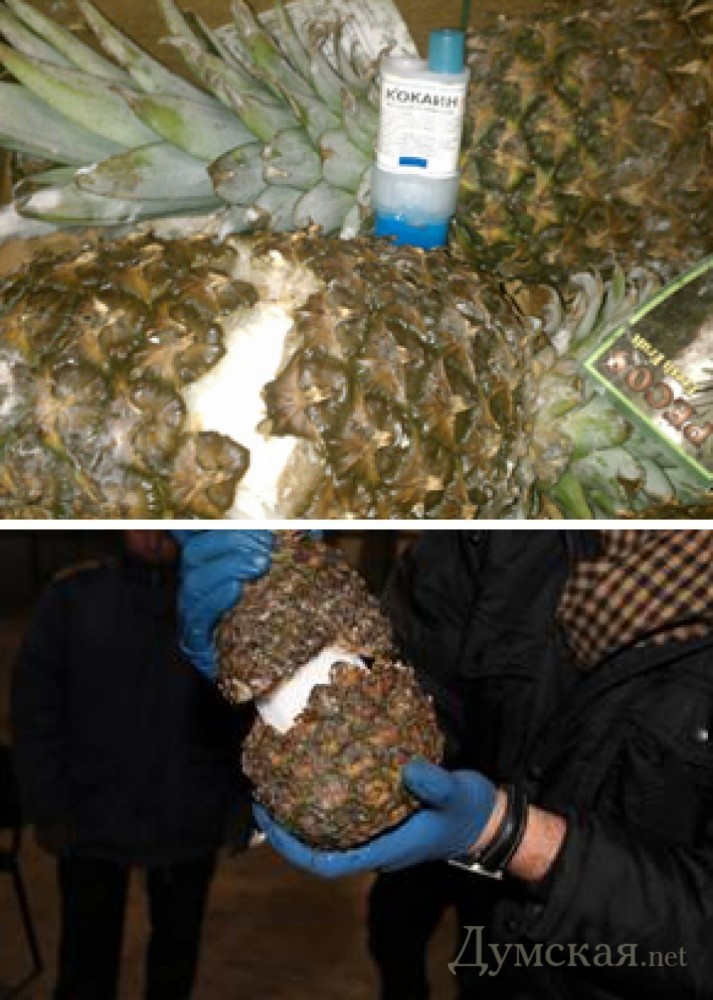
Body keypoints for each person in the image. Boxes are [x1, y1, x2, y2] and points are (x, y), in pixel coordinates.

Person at [172, 528, 713, 1000]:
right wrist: (286, 623)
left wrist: (510, 834)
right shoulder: (520, 518)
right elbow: (423, 661)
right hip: (493, 950)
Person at [12, 530, 251, 1000]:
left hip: (188, 816)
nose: (154, 533)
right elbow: (36, 707)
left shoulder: (221, 606)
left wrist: (239, 804)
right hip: (91, 818)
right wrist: (47, 805)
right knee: (86, 966)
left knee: (174, 965)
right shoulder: (74, 598)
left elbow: (245, 715)